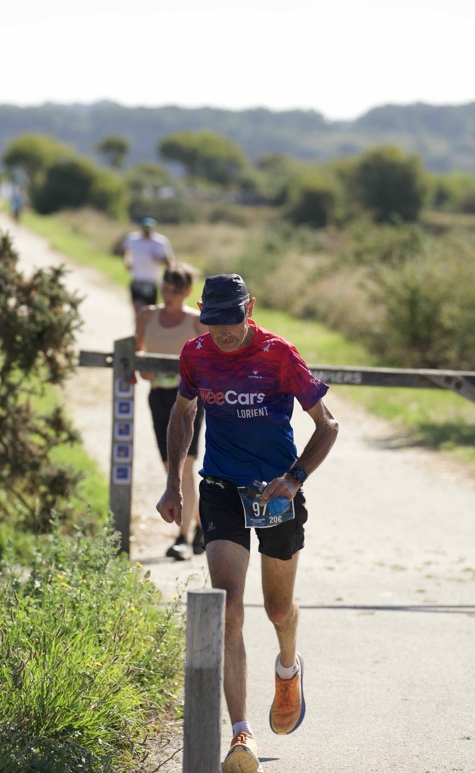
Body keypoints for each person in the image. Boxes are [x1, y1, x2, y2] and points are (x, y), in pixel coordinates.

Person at [156, 273, 339, 773]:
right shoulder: (195, 354)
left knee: (278, 610)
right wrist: (174, 483)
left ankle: (288, 668)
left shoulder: (280, 355)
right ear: (202, 315)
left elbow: (327, 425)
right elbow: (183, 413)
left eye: (232, 320)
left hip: (276, 493)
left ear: (250, 309)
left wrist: (295, 478)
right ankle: (241, 733)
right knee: (229, 610)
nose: (224, 332)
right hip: (220, 489)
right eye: (214, 321)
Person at [135, 262, 208, 561]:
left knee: (185, 468)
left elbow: (209, 361)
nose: (169, 295)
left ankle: (182, 538)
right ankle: (202, 525)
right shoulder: (147, 316)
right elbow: (138, 352)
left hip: (189, 401)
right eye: (165, 288)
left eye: (175, 291)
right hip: (159, 397)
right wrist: (144, 370)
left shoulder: (196, 322)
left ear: (187, 292)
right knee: (171, 470)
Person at [121, 216, 173, 316]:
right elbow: (124, 251)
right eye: (145, 228)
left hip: (152, 282)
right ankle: (138, 326)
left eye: (149, 228)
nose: (146, 231)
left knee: (149, 312)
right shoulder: (133, 238)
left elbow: (169, 262)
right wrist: (126, 263)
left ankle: (145, 326)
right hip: (137, 279)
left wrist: (158, 260)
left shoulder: (160, 242)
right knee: (138, 310)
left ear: (153, 228)